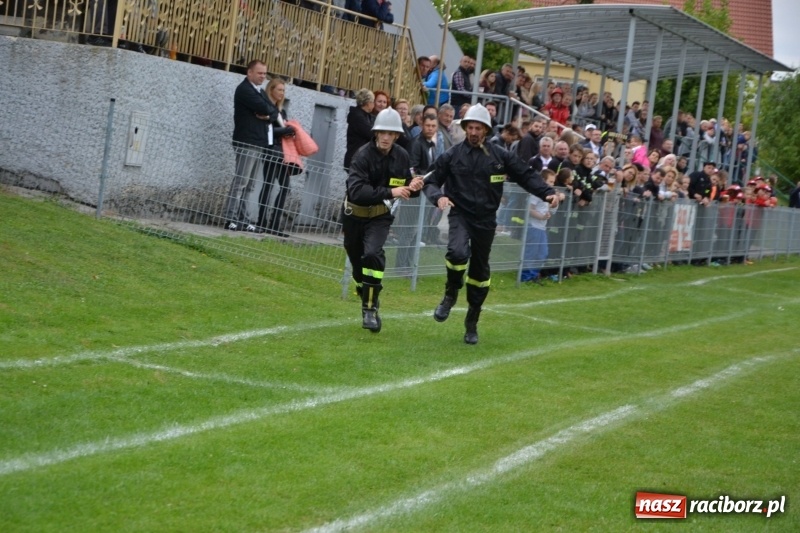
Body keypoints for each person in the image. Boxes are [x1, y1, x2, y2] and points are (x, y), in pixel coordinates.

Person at [422, 104, 559, 344]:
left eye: (478, 128)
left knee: (479, 273)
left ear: (486, 130)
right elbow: (430, 181)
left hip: (486, 220)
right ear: (465, 128)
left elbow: (525, 175)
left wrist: (546, 192)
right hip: (459, 214)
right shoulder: (452, 155)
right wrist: (438, 196)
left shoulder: (500, 156)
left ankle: (472, 320)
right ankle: (450, 294)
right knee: (456, 253)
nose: (474, 132)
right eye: (470, 127)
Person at [342, 108, 423, 332]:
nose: (386, 137)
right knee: (358, 266)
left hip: (379, 215)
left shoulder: (402, 156)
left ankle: (369, 310)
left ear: (397, 135)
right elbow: (357, 191)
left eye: (391, 133)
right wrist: (391, 192)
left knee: (372, 254)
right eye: (382, 133)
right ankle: (367, 291)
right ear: (376, 133)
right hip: (354, 215)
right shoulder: (362, 155)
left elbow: (406, 187)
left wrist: (414, 186)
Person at [225, 60, 274, 233]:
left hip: (258, 142)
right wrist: (269, 112)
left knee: (251, 185)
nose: (263, 76)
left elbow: (272, 110)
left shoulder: (259, 91)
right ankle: (230, 218)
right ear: (249, 73)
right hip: (247, 141)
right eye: (260, 73)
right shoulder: (245, 90)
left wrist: (268, 115)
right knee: (241, 182)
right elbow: (265, 107)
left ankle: (244, 219)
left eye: (264, 73)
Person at [256, 78, 296, 237]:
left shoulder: (281, 111)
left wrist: (289, 131)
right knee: (268, 185)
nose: (282, 93)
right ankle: (261, 222)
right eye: (279, 90)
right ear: (271, 90)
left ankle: (274, 224)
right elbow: (268, 130)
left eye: (283, 90)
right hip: (271, 150)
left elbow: (281, 129)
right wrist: (286, 131)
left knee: (285, 187)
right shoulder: (267, 108)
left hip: (282, 152)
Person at [521, 168, 558, 283]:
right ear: (543, 181)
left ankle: (534, 274)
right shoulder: (536, 193)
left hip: (542, 228)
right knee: (531, 252)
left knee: (543, 252)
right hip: (533, 226)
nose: (552, 184)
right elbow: (529, 209)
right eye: (550, 182)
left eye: (553, 182)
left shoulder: (549, 194)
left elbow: (551, 210)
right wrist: (540, 216)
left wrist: (554, 204)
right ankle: (526, 277)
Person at [344, 88, 375, 170]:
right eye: (373, 102)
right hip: (356, 158)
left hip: (360, 157)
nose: (373, 104)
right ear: (368, 103)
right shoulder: (357, 117)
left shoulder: (366, 116)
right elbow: (370, 134)